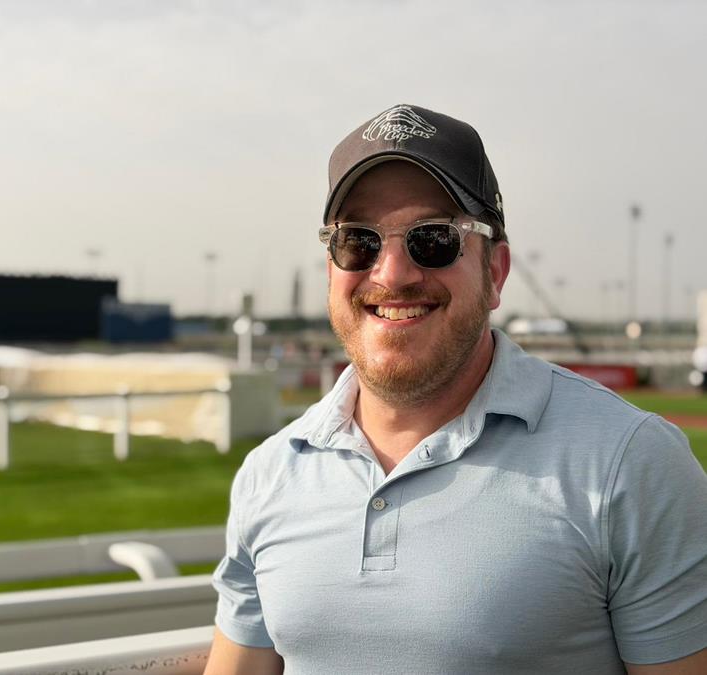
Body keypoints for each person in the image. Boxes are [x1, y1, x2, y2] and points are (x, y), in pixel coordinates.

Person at [204, 104, 707, 674]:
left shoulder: (630, 463)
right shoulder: (270, 474)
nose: (391, 273)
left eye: (434, 239)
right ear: (331, 271)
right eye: (359, 241)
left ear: (495, 273)